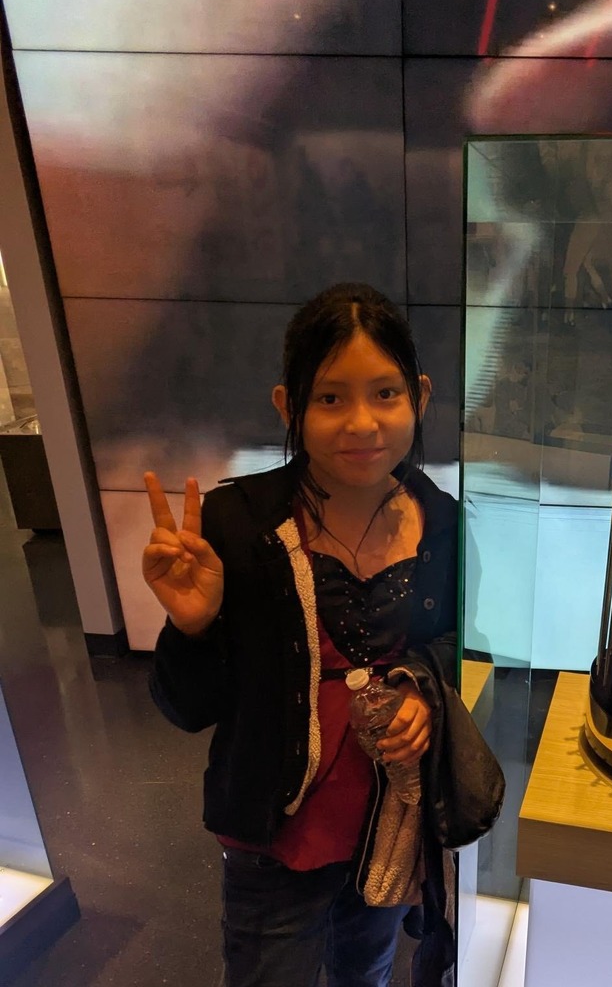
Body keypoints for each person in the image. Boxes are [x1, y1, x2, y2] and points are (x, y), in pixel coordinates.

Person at [141, 282, 459, 987]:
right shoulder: (237, 524)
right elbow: (186, 708)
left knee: (367, 971)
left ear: (420, 396)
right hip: (274, 832)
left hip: (389, 819)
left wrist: (423, 696)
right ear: (288, 405)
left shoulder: (439, 518)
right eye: (329, 398)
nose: (361, 422)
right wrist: (189, 626)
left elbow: (452, 646)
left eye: (385, 393)